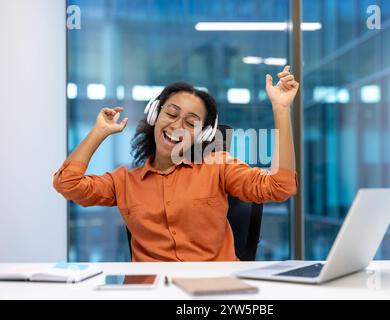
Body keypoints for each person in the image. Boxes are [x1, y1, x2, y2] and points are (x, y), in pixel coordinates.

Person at [53, 66, 299, 262]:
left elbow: (280, 187)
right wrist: (98, 132)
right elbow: (68, 184)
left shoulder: (219, 167)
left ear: (202, 135)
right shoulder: (124, 181)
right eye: (171, 114)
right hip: (152, 290)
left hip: (215, 290)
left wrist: (281, 108)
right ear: (154, 115)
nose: (177, 126)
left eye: (191, 123)